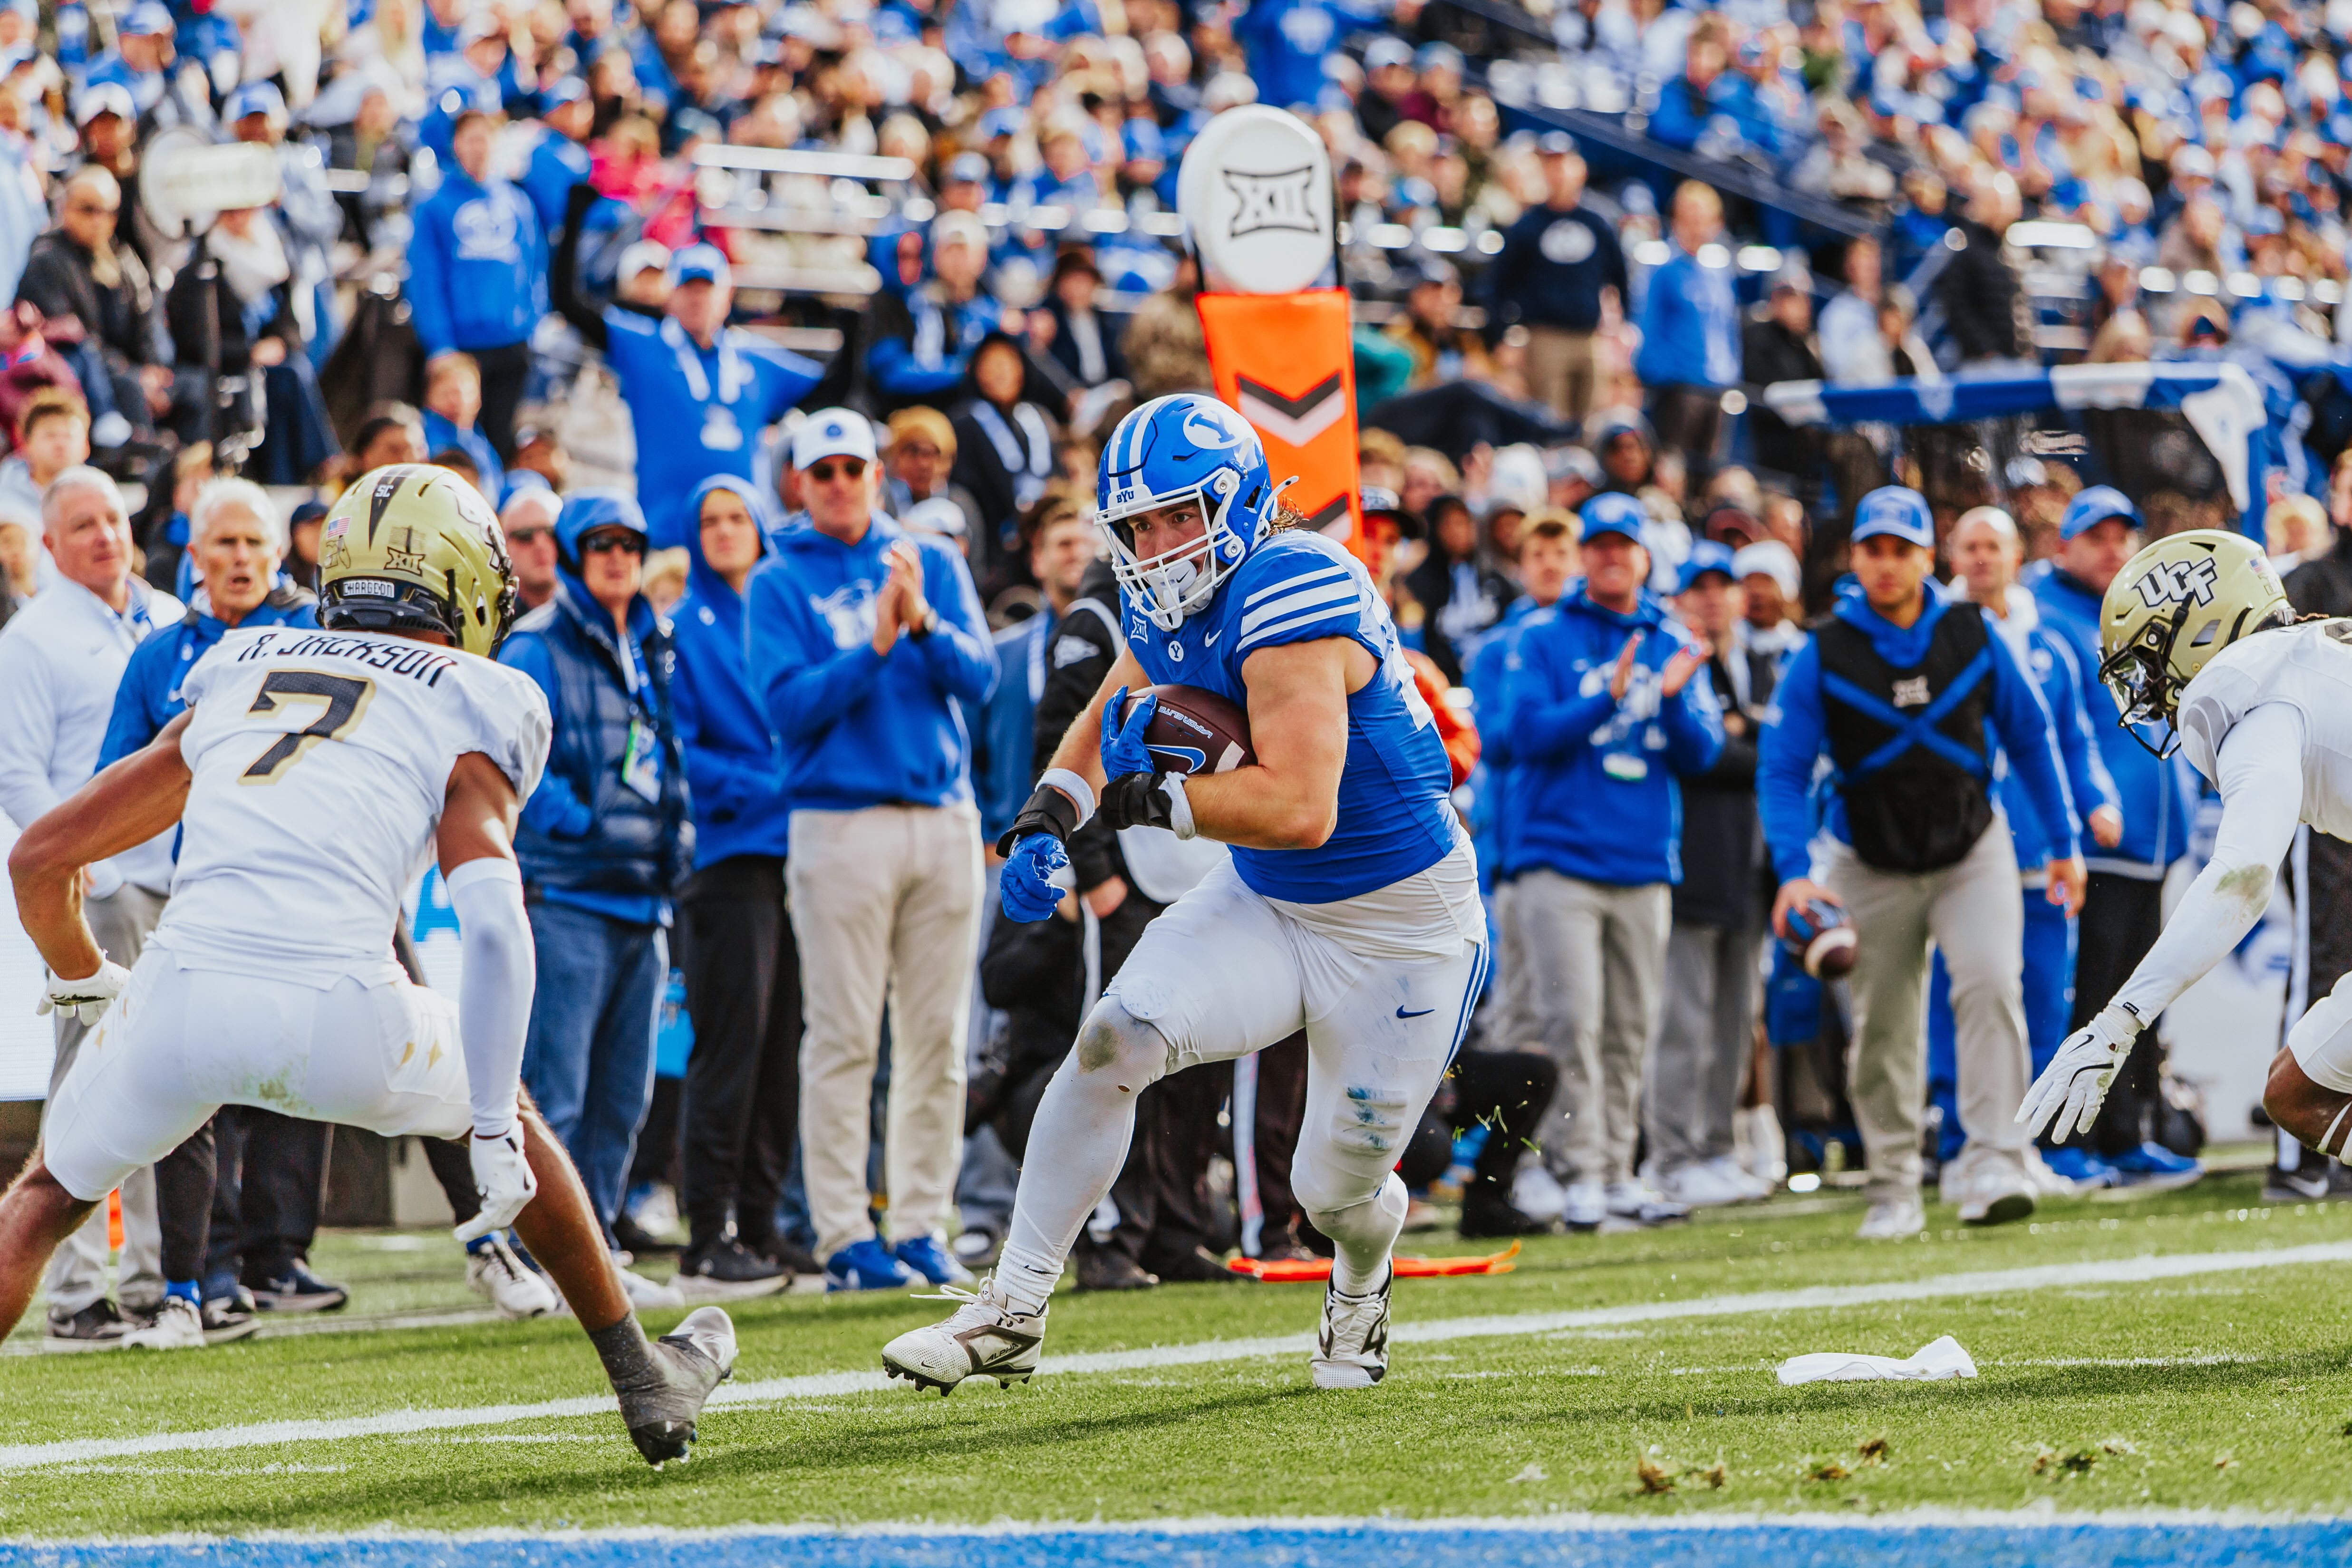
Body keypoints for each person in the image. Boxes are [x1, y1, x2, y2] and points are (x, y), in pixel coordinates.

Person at [0, 464, 737, 1461]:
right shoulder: (477, 693)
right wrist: (490, 1123)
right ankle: (645, 1378)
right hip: (345, 1012)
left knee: (43, 1198)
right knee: (518, 1121)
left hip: (180, 1002)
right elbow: (494, 924)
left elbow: (40, 859)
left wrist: (83, 974)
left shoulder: (242, 660)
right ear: (460, 581)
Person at [881, 393, 1485, 1394]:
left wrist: (1149, 800)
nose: (1158, 546)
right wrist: (1048, 815)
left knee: (1331, 1191)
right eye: (1138, 525)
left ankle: (1362, 1273)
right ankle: (1012, 1307)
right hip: (1269, 900)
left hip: (1399, 926)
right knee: (1113, 1037)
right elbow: (1108, 705)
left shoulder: (1293, 581)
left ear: (1237, 501)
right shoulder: (1164, 595)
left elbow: (1302, 807)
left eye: (1178, 516)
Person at [1759, 487, 2086, 1240]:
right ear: (1854, 558)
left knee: (1990, 986)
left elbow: (2030, 734)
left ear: (1924, 558)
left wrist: (2063, 843)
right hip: (1865, 858)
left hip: (1971, 847)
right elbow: (1781, 767)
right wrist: (1793, 870)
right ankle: (1892, 1185)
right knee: (1883, 1026)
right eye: (1872, 550)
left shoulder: (1970, 631)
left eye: (1900, 550)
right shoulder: (1822, 650)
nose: (1885, 564)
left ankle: (1994, 1161)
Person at [745, 409, 997, 1294]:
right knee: (844, 1037)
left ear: (877, 476)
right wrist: (877, 647)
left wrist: (920, 624)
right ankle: (846, 1232)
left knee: (938, 1037)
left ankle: (923, 1223)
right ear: (800, 483)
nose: (840, 484)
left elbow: (980, 677)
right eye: (823, 472)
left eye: (853, 468)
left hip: (940, 812)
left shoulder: (930, 560)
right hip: (838, 820)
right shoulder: (777, 580)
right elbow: (786, 707)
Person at [2021, 533, 2352, 1201]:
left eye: (2148, 661)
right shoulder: (2312, 656)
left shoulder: (2261, 701)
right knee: (2294, 1087)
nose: (2146, 692)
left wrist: (2119, 1021)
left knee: (2298, 1091)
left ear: (2202, 627)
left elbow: (2243, 876)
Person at [94, 480, 330, 1326]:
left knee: (304, 1073)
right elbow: (113, 777)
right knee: (202, 1082)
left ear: (279, 553)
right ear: (193, 555)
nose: (239, 558)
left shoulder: (322, 635)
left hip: (315, 885)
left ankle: (281, 1253)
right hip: (212, 888)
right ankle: (208, 1270)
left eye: (253, 542)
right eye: (222, 543)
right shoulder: (163, 654)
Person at [1498, 492, 1723, 1230]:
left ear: (1643, 558)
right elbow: (1522, 733)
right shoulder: (1541, 634)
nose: (1610, 557)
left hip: (1642, 858)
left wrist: (1675, 700)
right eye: (1598, 545)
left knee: (1631, 1028)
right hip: (1558, 857)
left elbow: (1702, 752)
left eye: (1623, 546)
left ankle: (1619, 1169)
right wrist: (1605, 698)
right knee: (1571, 1023)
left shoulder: (1669, 638)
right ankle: (1577, 1171)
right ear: (1583, 556)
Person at [0, 466, 183, 1348]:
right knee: (86, 1077)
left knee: (172, 1079)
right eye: (83, 524)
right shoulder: (32, 639)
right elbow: (17, 773)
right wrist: (87, 867)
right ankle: (75, 1288)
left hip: (182, 883)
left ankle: (155, 1279)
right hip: (101, 893)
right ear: (48, 543)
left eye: (113, 518)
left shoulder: (171, 618)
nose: (106, 535)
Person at [497, 489, 694, 1306]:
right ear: (576, 555)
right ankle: (541, 1260)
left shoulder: (653, 642)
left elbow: (670, 750)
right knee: (559, 1095)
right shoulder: (537, 642)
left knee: (622, 1098)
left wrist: (676, 831)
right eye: (600, 543)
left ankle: (598, 1251)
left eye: (629, 543)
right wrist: (588, 828)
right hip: (568, 895)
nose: (617, 556)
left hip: (641, 899)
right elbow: (515, 762)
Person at [1927, 506, 2123, 1192]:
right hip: (1956, 852)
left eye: (1994, 545)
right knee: (1961, 1001)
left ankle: (2035, 1147)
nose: (1982, 558)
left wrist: (2095, 798)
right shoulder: (1925, 636)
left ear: (2017, 556)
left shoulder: (2050, 641)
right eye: (1970, 546)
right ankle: (1958, 1144)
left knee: (2041, 1000)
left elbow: (2072, 738)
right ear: (1951, 556)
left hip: (2039, 851)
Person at [2031, 487, 2204, 1190]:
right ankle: (2063, 1141)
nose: (2111, 549)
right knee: (2087, 999)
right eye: (2094, 536)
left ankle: (2127, 1136)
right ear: (2062, 546)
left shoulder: (2143, 614)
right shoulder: (2045, 618)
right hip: (2093, 845)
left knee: (2139, 1001)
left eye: (2120, 535)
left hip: (2152, 845)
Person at [669, 474, 814, 1292]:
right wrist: (781, 784)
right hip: (730, 857)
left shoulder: (784, 610)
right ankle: (708, 1230)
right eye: (709, 520)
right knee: (731, 1046)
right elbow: (682, 751)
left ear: (760, 527)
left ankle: (760, 1223)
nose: (724, 531)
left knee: (784, 1045)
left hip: (800, 854)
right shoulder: (685, 626)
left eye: (737, 517)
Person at [551, 207, 820, 550]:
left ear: (727, 296)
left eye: (706, 289)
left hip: (741, 540)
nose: (697, 299)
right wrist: (574, 215)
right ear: (670, 296)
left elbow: (827, 390)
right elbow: (570, 304)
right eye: (688, 288)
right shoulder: (644, 346)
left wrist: (856, 327)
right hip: (667, 538)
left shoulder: (754, 358)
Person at [1643, 540, 1774, 1209]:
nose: (1714, 598)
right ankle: (1672, 1155)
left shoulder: (1756, 664)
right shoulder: (1671, 659)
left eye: (1724, 586)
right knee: (1682, 1021)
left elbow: (1779, 750)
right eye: (1700, 587)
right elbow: (1706, 754)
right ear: (1678, 597)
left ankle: (1719, 1147)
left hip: (1748, 867)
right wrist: (1748, 740)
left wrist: (1743, 733)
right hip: (1690, 864)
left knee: (1734, 1023)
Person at [405, 110, 545, 459]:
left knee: (500, 441)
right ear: (457, 145)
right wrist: (440, 343)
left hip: (512, 341)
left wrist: (532, 323)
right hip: (461, 348)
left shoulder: (517, 202)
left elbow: (536, 266)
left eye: (485, 139)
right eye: (471, 139)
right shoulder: (435, 205)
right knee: (456, 446)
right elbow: (425, 278)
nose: (479, 148)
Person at [1482, 137, 1624, 425]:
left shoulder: (1597, 222)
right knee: (1550, 422)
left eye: (1564, 165)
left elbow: (1620, 276)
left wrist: (1623, 327)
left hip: (1590, 338)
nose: (1559, 174)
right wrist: (1500, 337)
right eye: (1551, 166)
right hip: (1545, 337)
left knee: (1592, 423)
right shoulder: (1528, 226)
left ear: (1581, 170)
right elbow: (1499, 285)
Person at [1634, 182, 1741, 472]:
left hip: (1717, 389)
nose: (1697, 228)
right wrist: (1660, 379)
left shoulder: (1719, 272)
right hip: (1677, 390)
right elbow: (1648, 327)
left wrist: (1731, 374)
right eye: (1689, 219)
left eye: (1703, 219)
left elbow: (1728, 330)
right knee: (1673, 470)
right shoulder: (1663, 270)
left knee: (1710, 472)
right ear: (1676, 221)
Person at [500, 485, 562, 611]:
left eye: (551, 532)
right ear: (505, 547)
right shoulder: (493, 618)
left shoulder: (598, 613)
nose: (540, 545)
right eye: (525, 536)